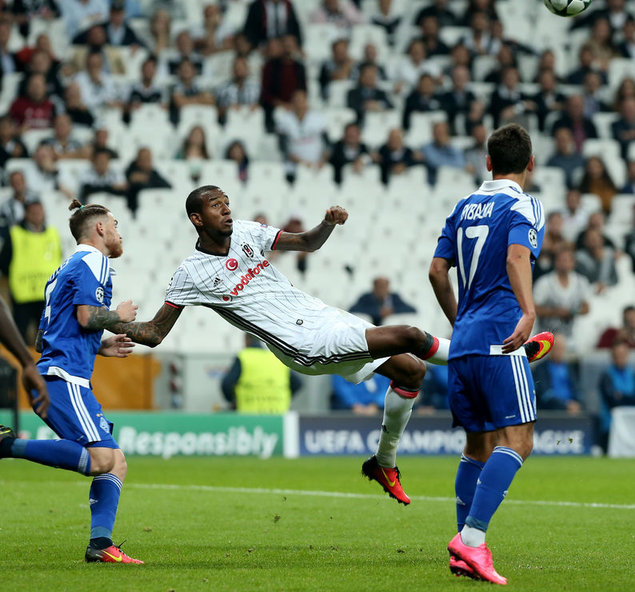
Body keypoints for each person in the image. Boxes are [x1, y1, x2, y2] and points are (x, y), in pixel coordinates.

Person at [108, 185, 552, 506]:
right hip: (300, 342)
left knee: (412, 371)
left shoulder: (245, 231)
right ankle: (495, 354)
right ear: (196, 218)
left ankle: (383, 462)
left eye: (226, 202)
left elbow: (306, 243)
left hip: (322, 317)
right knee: (412, 336)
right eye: (215, 206)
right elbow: (155, 332)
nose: (226, 210)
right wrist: (107, 321)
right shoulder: (190, 274)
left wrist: (328, 223)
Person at [429, 123, 550, 584]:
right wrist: (528, 310)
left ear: (488, 163)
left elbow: (437, 272)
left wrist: (461, 322)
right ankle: (472, 541)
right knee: (518, 441)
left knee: (477, 446)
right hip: (502, 336)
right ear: (530, 164)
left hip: (463, 344)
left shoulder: (462, 206)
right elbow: (516, 257)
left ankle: (464, 548)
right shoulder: (524, 203)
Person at [0, 200, 142, 564]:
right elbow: (86, 315)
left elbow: (41, 339)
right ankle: (7, 445)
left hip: (58, 375)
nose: (118, 230)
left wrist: (100, 346)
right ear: (99, 229)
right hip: (65, 380)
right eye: (114, 223)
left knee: (116, 462)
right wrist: (118, 318)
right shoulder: (94, 261)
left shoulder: (63, 269)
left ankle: (100, 545)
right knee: (102, 458)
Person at [0, 200, 62, 343]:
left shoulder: (52, 233)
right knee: (20, 334)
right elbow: (3, 262)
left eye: (40, 212)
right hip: (23, 294)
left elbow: (58, 258)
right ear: (26, 214)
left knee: (48, 336)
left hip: (46, 294)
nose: (37, 216)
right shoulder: (15, 234)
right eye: (33, 213)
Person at [221, 334, 303, 413]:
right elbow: (298, 383)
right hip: (279, 416)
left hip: (250, 417)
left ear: (247, 340)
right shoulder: (276, 358)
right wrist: (285, 398)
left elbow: (226, 384)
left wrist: (233, 401)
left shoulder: (244, 356)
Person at [598, 340, 635, 452]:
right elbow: (612, 401)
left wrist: (621, 395)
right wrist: (628, 398)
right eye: (618, 355)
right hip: (611, 426)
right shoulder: (606, 376)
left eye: (623, 355)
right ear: (612, 357)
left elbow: (620, 398)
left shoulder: (632, 374)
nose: (621, 358)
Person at [532, 333, 582, 413]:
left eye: (562, 348)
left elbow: (577, 389)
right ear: (550, 349)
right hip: (550, 413)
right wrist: (565, 405)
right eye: (557, 348)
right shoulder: (540, 369)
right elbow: (545, 394)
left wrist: (577, 403)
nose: (560, 351)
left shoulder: (569, 367)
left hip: (571, 412)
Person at [349, 276, 416, 326]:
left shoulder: (394, 297)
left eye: (384, 287)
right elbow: (352, 309)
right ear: (374, 287)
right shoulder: (366, 297)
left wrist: (392, 311)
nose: (382, 289)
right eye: (380, 287)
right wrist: (377, 311)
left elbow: (412, 309)